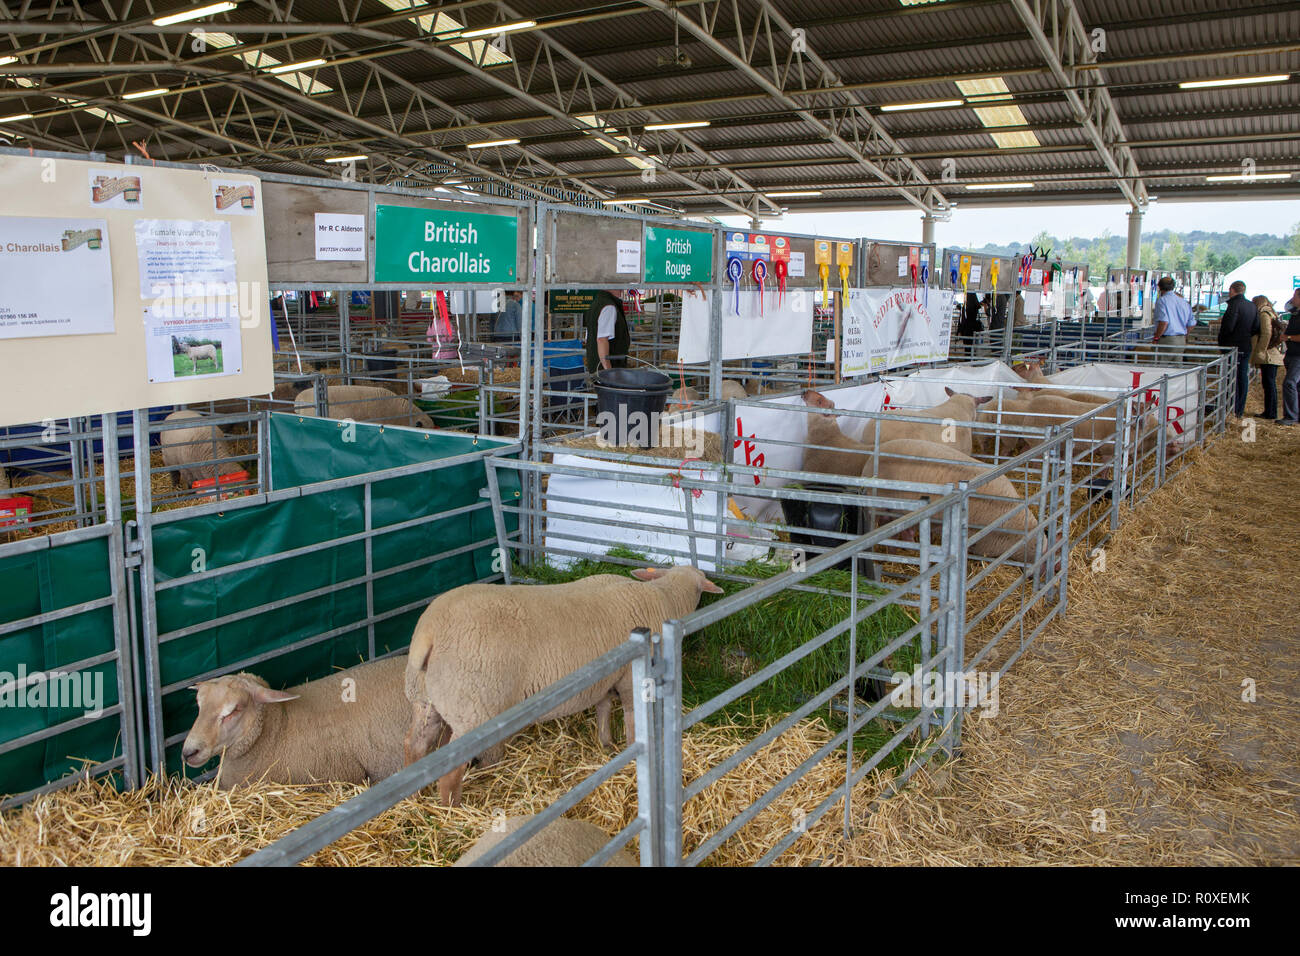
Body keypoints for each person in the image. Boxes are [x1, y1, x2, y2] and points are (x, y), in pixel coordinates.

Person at [1218, 281, 1258, 418]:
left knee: (1231, 376)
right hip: (1246, 345)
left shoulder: (1234, 305)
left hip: (1232, 346)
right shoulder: (1252, 306)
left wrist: (1223, 343)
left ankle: (1231, 407)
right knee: (1242, 376)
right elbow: (1256, 327)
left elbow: (1228, 327)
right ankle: (1239, 408)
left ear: (1232, 290)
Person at [1250, 295, 1284, 420]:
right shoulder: (1271, 313)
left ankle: (1271, 412)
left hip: (1268, 356)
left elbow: (1266, 333)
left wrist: (1260, 350)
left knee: (1269, 384)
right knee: (1269, 384)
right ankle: (1269, 411)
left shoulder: (1264, 314)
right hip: (1271, 354)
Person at [582, 289, 630, 373]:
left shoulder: (596, 303)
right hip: (608, 369)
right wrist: (608, 371)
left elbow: (588, 338)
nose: (623, 288)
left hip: (595, 367)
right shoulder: (609, 306)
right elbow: (601, 340)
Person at [1152, 276, 1195, 354]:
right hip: (1181, 341)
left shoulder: (1162, 301)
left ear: (1159, 287)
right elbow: (1191, 323)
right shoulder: (1183, 302)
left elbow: (1164, 322)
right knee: (1176, 365)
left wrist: (1156, 338)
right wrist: (1183, 334)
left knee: (1160, 365)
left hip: (1167, 341)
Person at [1279, 288, 1300, 426]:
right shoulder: (1295, 314)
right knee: (1296, 385)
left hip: (1298, 355)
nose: (1292, 299)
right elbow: (1287, 305)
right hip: (1292, 354)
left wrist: (1289, 337)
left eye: (1295, 296)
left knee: (1289, 383)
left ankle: (1291, 416)